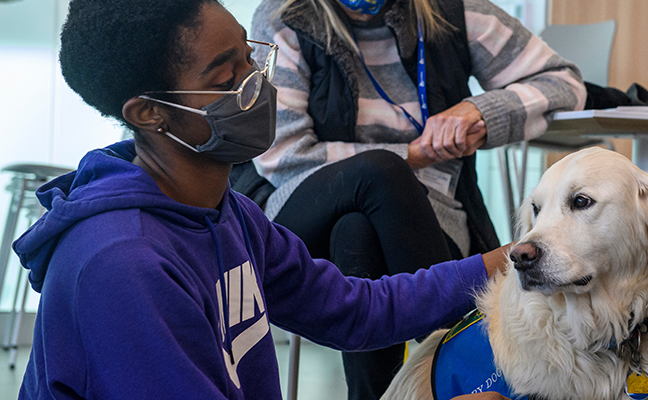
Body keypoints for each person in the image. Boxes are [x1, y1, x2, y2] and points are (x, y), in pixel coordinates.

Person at [12, 0, 512, 398]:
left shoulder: (230, 214)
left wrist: (508, 261)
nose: (258, 88)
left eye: (252, 60)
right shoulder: (123, 265)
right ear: (149, 113)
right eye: (227, 81)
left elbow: (357, 310)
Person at [239, 0, 586, 397]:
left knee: (356, 231)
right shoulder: (285, 16)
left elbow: (564, 82)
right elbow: (282, 153)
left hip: (426, 218)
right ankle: (443, 347)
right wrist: (411, 156)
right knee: (383, 171)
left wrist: (481, 111)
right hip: (305, 205)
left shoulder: (451, 10)